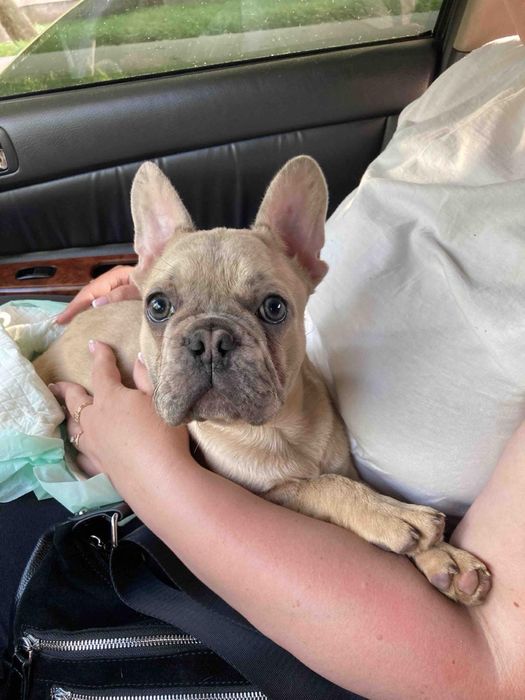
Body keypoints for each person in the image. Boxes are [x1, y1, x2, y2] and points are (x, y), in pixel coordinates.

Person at [4, 4, 525, 697]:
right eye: (166, 307)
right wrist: (149, 297)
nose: (210, 344)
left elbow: (488, 665)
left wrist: (152, 469)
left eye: (269, 308)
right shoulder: (492, 70)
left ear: (307, 260)